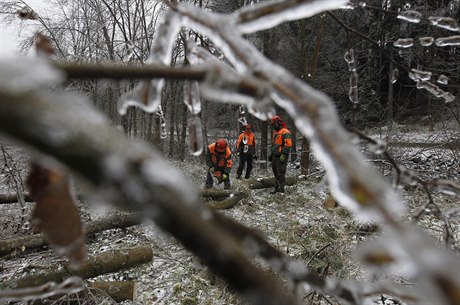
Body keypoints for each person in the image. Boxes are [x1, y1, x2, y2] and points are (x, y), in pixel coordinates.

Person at [269, 115, 292, 193]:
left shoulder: (285, 131)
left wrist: (284, 154)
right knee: (275, 172)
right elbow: (274, 145)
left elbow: (288, 144)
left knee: (281, 173)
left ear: (278, 122)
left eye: (274, 124)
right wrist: (271, 154)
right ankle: (277, 189)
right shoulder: (276, 132)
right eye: (272, 125)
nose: (273, 126)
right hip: (275, 156)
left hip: (281, 156)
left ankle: (281, 190)